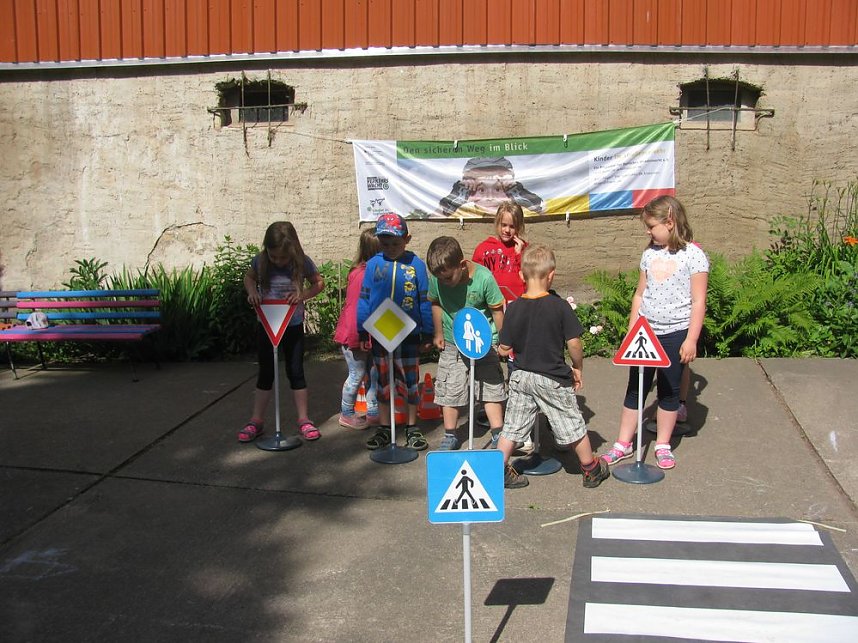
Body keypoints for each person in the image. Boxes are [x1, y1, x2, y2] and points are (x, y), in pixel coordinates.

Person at [600, 196, 709, 470]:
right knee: (635, 388)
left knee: (669, 390)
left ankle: (662, 444)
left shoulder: (694, 256)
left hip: (675, 332)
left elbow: (699, 301)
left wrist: (691, 339)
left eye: (651, 226)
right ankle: (623, 443)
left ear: (670, 223)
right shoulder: (649, 254)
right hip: (645, 332)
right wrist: (631, 331)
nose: (648, 232)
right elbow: (640, 294)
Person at [495, 243, 610, 489]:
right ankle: (591, 469)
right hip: (552, 377)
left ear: (521, 275)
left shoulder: (513, 308)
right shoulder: (559, 306)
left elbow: (505, 347)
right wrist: (577, 367)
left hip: (521, 376)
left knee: (512, 426)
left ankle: (499, 469)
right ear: (551, 275)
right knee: (572, 423)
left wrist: (500, 349)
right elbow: (574, 343)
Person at [239, 221, 325, 443]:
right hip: (267, 325)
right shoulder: (260, 261)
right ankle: (256, 420)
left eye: (283, 257)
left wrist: (302, 295)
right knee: (266, 371)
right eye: (273, 256)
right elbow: (249, 278)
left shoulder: (302, 262)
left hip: (292, 325)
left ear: (293, 249)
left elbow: (318, 283)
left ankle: (304, 420)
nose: (278, 261)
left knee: (295, 371)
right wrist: (252, 292)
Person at [357, 212, 434, 451]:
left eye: (396, 243)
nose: (390, 248)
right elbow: (364, 298)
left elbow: (424, 300)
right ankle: (384, 426)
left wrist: (428, 332)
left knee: (410, 381)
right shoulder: (373, 265)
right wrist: (362, 330)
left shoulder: (416, 265)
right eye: (385, 243)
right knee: (382, 381)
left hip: (408, 334)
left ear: (407, 239)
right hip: (380, 332)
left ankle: (412, 426)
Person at [426, 236, 506, 451]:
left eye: (447, 278)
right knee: (450, 387)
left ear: (462, 265)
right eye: (439, 278)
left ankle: (498, 432)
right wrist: (438, 332)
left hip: (483, 342)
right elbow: (435, 303)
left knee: (490, 385)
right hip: (452, 341)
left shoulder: (484, 278)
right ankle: (450, 434)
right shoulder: (437, 279)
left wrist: (504, 340)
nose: (443, 282)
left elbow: (497, 310)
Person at [473, 201, 534, 452]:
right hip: (490, 314)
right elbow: (475, 277)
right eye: (503, 225)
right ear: (497, 223)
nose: (507, 230)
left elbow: (531, 280)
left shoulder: (525, 250)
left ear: (520, 226)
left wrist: (520, 255)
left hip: (516, 313)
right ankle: (491, 407)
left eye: (512, 226)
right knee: (488, 363)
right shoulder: (484, 249)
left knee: (514, 363)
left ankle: (518, 416)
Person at [333, 228, 380, 429]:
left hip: (369, 335)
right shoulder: (361, 275)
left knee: (373, 373)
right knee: (356, 375)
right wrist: (357, 337)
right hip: (356, 336)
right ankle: (347, 413)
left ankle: (373, 411)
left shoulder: (372, 273)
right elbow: (354, 310)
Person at [438, 156, 544, 218]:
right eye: (481, 189)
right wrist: (457, 196)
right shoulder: (465, 212)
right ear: (468, 191)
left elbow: (545, 210)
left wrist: (521, 194)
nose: (489, 197)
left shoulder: (520, 211)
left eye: (497, 189)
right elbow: (436, 216)